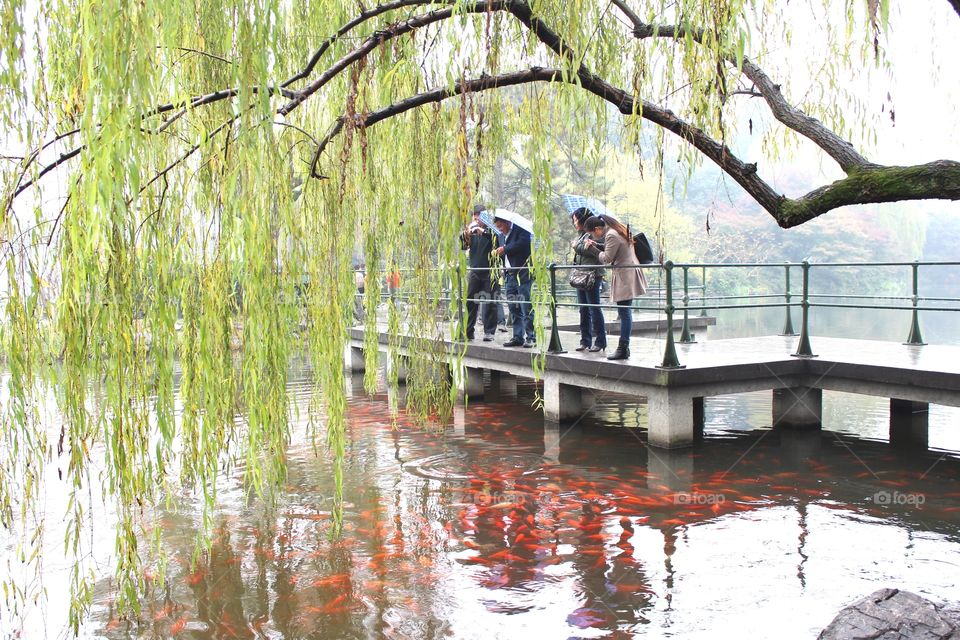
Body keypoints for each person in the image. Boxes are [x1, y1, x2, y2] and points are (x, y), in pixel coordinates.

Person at [584, 215, 647, 360]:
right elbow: (615, 249)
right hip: (630, 272)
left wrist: (592, 249)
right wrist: (598, 245)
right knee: (625, 311)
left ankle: (623, 348)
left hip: (625, 275)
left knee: (624, 313)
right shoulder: (617, 230)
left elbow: (607, 259)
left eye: (593, 233)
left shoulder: (611, 235)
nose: (594, 236)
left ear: (598, 229)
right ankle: (624, 348)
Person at [493, 214, 535, 348]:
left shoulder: (522, 231)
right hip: (509, 274)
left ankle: (531, 337)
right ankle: (518, 337)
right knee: (513, 307)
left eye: (500, 226)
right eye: (497, 227)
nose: (500, 229)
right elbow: (503, 255)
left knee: (525, 305)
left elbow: (522, 245)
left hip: (523, 273)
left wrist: (505, 249)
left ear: (507, 222)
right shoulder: (500, 236)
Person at [570, 208, 606, 353]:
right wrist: (579, 245)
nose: (574, 223)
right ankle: (585, 340)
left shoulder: (595, 232)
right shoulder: (582, 235)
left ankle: (600, 341)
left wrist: (576, 246)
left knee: (594, 307)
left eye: (576, 220)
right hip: (581, 275)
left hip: (592, 275)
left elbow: (592, 249)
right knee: (583, 309)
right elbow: (582, 247)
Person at [460, 205, 499, 341]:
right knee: (470, 301)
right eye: (475, 216)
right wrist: (466, 234)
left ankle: (489, 332)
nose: (477, 218)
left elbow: (499, 241)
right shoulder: (471, 230)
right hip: (475, 271)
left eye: (479, 216)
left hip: (490, 271)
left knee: (490, 302)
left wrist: (483, 232)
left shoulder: (492, 231)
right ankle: (468, 331)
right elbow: (463, 246)